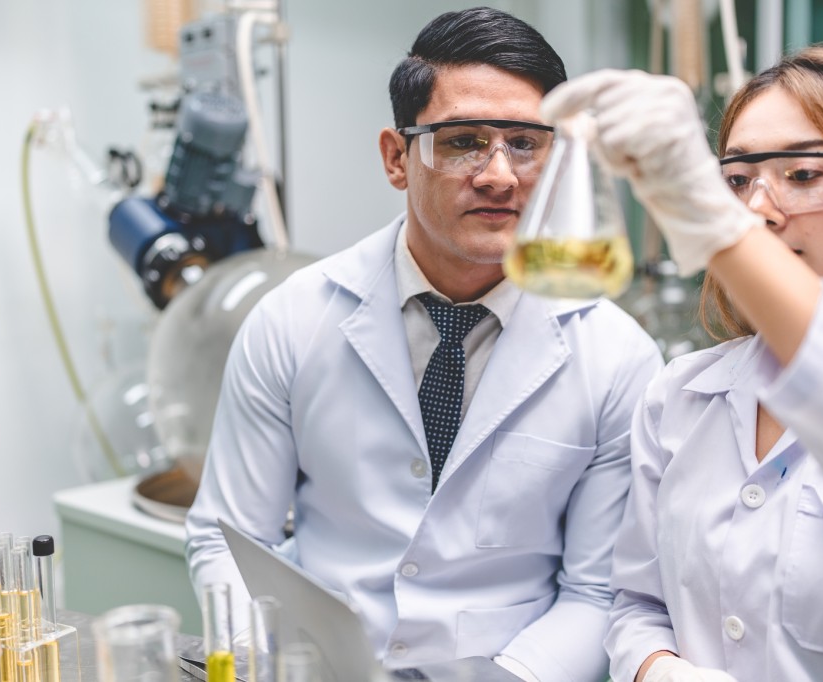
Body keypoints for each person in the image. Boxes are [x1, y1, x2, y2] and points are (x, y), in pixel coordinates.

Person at [185, 7, 663, 681]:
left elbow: (597, 593)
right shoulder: (291, 320)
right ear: (395, 157)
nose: (499, 175)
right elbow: (228, 537)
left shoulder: (617, 358)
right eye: (463, 140)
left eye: (526, 143)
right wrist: (261, 660)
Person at [541, 44, 823, 682]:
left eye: (804, 175)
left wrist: (714, 224)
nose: (758, 208)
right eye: (737, 180)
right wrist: (658, 669)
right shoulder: (680, 395)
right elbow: (637, 603)